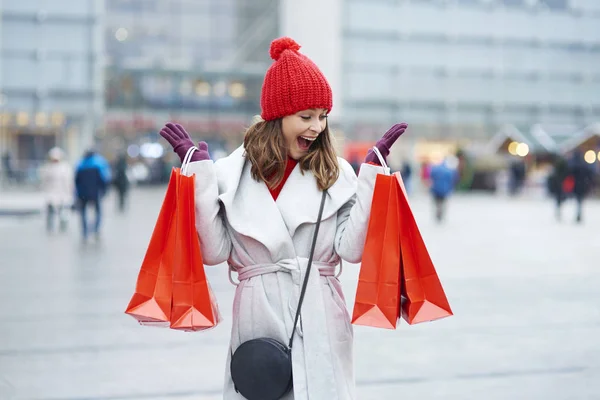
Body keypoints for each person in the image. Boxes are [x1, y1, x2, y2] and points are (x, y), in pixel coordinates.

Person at [159, 37, 407, 400]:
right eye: (305, 117)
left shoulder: (336, 172)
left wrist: (371, 175)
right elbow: (214, 252)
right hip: (259, 317)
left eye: (322, 116)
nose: (317, 128)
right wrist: (199, 176)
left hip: (320, 312)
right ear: (276, 118)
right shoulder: (232, 173)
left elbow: (351, 250)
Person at [74, 148, 111, 241]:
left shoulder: (80, 166)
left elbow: (76, 182)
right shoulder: (98, 165)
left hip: (83, 194)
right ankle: (96, 228)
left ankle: (85, 231)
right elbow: (103, 180)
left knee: (83, 213)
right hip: (95, 194)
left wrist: (77, 194)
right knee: (98, 212)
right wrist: (104, 191)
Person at [39, 147, 74, 233]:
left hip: (62, 193)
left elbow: (68, 181)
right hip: (51, 194)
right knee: (50, 212)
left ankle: (63, 227)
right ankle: (50, 227)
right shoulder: (47, 168)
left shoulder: (65, 168)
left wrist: (69, 191)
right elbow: (44, 181)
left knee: (63, 212)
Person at [567, 150, 594, 223]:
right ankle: (579, 212)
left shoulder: (573, 165)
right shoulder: (584, 164)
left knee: (578, 199)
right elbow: (590, 174)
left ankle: (578, 213)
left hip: (576, 185)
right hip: (582, 185)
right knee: (580, 200)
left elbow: (569, 174)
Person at [429, 158, 457, 222]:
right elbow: (452, 180)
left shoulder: (435, 169)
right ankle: (441, 213)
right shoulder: (448, 170)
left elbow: (431, 176)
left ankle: (438, 212)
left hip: (436, 189)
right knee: (443, 202)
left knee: (437, 202)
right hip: (445, 189)